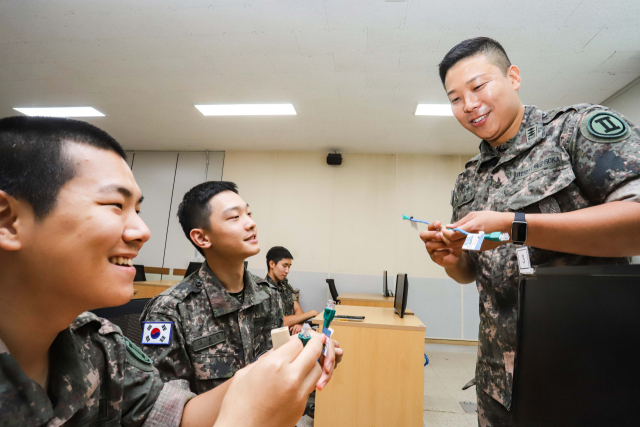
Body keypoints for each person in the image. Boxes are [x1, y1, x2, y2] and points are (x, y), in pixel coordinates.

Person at [0, 115, 333, 427]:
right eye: (115, 205)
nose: (142, 231)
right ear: (8, 220)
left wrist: (284, 367)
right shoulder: (168, 309)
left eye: (138, 209)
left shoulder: (101, 348)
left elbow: (172, 411)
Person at [420, 37, 640, 426]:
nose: (469, 105)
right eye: (454, 98)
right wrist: (452, 259)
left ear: (513, 76)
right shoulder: (469, 180)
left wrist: (515, 225)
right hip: (496, 381)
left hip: (584, 371)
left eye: (478, 86)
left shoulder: (573, 131)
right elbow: (471, 270)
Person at [140, 182, 343, 395]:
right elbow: (164, 406)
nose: (251, 223)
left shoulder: (268, 294)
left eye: (249, 213)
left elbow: (278, 358)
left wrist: (311, 348)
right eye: (234, 217)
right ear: (202, 237)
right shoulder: (168, 311)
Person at [266, 246, 319, 334]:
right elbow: (280, 322)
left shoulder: (284, 285)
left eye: (289, 266)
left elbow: (297, 309)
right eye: (284, 266)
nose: (287, 271)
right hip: (277, 340)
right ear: (272, 264)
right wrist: (311, 313)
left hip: (292, 334)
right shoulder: (264, 290)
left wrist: (299, 324)